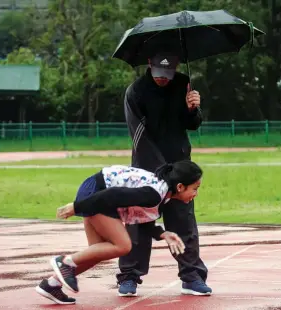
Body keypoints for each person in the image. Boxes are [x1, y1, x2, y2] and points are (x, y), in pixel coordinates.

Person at [34, 160, 203, 305]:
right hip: (97, 194)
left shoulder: (162, 194)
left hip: (98, 194)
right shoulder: (154, 194)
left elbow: (140, 220)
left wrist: (162, 234)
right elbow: (113, 194)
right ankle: (64, 262)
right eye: (195, 188)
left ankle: (51, 284)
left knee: (97, 251)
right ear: (180, 186)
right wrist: (77, 207)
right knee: (123, 246)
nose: (196, 194)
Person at [117, 50, 212, 297]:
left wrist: (193, 109)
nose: (163, 78)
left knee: (183, 221)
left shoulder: (183, 84)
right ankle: (129, 276)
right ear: (149, 64)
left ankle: (191, 276)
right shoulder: (135, 91)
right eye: (159, 73)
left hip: (180, 166)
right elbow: (138, 135)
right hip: (146, 168)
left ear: (177, 67)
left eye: (168, 73)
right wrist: (163, 171)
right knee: (138, 220)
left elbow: (192, 124)